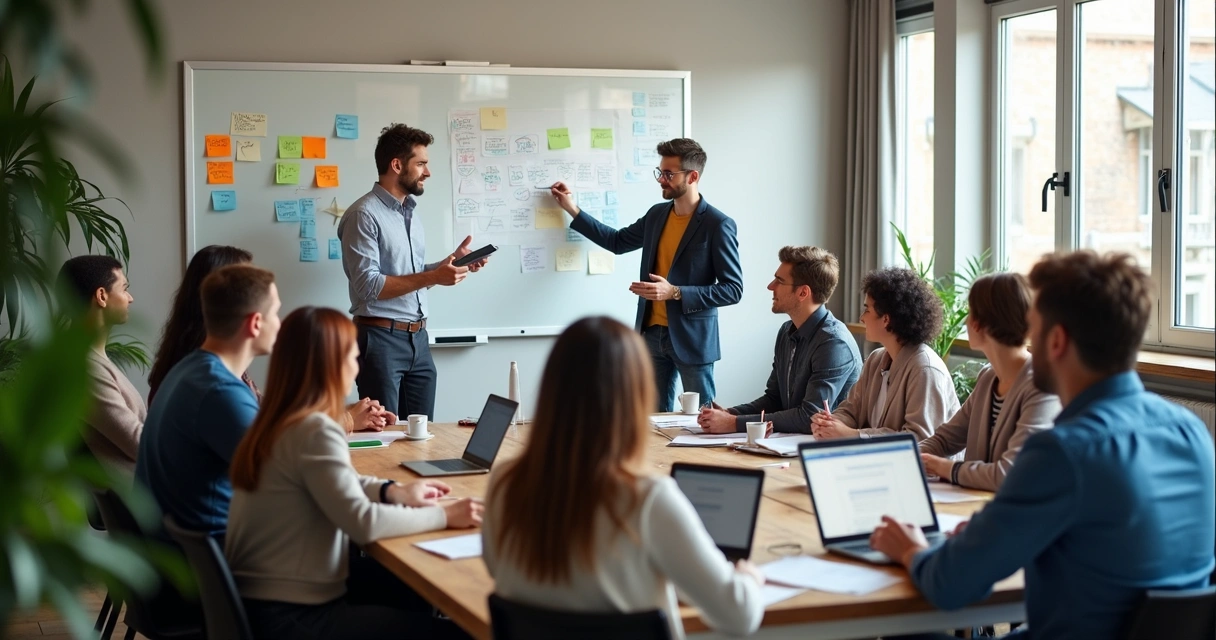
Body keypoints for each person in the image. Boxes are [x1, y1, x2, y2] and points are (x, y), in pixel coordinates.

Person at [870, 251, 1216, 639]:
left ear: (1057, 341)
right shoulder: (1191, 432)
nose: (1026, 341)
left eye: (1032, 328)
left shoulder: (1063, 453)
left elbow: (949, 584)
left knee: (906, 629)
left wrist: (911, 549)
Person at [482, 317, 765, 640]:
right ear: (634, 398)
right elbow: (739, 616)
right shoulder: (649, 498)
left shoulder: (504, 482)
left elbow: (496, 568)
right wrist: (748, 578)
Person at [226, 306, 479, 640]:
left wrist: (392, 492)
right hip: (293, 617)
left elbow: (333, 482)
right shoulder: (314, 428)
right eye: (352, 357)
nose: (357, 367)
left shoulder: (280, 420)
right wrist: (445, 516)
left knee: (410, 587)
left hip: (264, 601)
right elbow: (364, 523)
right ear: (330, 365)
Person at [550, 139, 743, 411]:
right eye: (660, 172)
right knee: (652, 422)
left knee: (704, 421)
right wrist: (571, 208)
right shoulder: (656, 215)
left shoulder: (718, 224)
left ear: (693, 176)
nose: (661, 180)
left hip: (692, 339)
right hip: (651, 335)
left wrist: (675, 292)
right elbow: (616, 242)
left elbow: (733, 289)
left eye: (669, 174)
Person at [149, 244, 394, 430]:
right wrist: (345, 420)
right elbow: (279, 449)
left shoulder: (203, 367)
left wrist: (340, 411)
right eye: (274, 312)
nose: (280, 321)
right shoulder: (216, 387)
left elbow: (271, 416)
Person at [338, 123, 488, 420]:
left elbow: (411, 276)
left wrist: (450, 263)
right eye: (421, 163)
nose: (427, 172)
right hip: (379, 339)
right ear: (396, 165)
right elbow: (369, 285)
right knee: (383, 434)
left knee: (421, 435)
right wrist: (433, 276)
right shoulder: (363, 215)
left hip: (418, 339)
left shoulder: (410, 213)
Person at [136, 264, 280, 538]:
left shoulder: (190, 370)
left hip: (183, 549)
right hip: (213, 562)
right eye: (275, 313)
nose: (279, 323)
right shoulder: (220, 391)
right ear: (256, 323)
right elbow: (284, 481)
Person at [918, 273, 1061, 491]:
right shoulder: (988, 377)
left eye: (969, 312)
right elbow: (946, 439)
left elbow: (1010, 474)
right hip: (978, 506)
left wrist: (944, 467)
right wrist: (907, 457)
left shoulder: (1041, 386)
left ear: (978, 323)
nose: (966, 321)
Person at [698, 246, 861, 434]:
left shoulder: (834, 343)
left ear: (803, 293)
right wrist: (729, 414)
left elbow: (809, 416)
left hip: (821, 450)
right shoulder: (786, 331)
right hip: (790, 443)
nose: (770, 286)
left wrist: (734, 422)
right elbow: (775, 399)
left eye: (779, 281)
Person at [811, 267, 957, 441]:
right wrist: (830, 423)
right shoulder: (876, 359)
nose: (861, 318)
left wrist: (853, 435)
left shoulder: (925, 369)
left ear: (886, 319)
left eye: (867, 310)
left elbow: (920, 439)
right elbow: (851, 410)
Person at [56, 255, 143, 476]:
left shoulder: (92, 359)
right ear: (102, 296)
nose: (130, 298)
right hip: (139, 501)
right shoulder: (84, 368)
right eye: (124, 288)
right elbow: (139, 444)